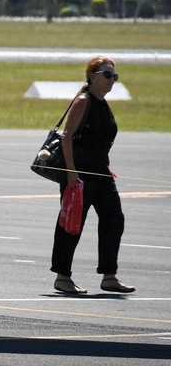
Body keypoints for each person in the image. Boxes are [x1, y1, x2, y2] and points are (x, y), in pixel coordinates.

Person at [51, 56, 135, 295]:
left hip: (101, 172)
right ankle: (62, 276)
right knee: (72, 224)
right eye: (108, 75)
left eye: (115, 77)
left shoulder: (103, 103)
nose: (112, 81)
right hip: (78, 174)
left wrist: (104, 166)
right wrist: (70, 173)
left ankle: (109, 276)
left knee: (114, 219)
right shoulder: (83, 101)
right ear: (93, 76)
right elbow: (66, 137)